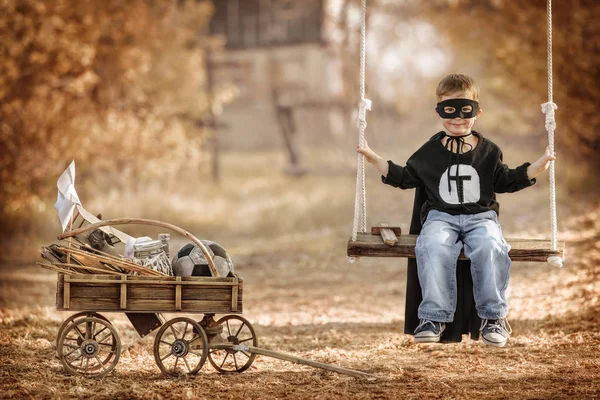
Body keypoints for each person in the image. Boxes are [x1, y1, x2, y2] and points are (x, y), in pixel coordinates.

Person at [357, 74, 556, 347]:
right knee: (433, 245)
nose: (457, 117)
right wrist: (372, 157)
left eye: (465, 110)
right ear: (438, 111)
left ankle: (492, 318)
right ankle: (433, 317)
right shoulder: (429, 151)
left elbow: (506, 179)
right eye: (449, 110)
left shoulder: (488, 151)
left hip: (481, 218)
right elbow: (405, 177)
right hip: (441, 218)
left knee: (490, 245)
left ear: (477, 112)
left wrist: (538, 166)